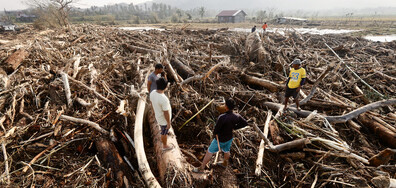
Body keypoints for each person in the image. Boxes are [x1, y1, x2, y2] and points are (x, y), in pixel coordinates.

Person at [193, 98, 248, 173]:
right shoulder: (237, 116)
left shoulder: (222, 117)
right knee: (226, 150)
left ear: (226, 107)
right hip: (229, 138)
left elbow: (216, 130)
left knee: (209, 151)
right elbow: (245, 123)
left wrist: (215, 134)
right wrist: (235, 127)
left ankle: (201, 168)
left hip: (220, 139)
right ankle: (225, 163)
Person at [150, 78, 173, 151]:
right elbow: (166, 113)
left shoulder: (153, 92)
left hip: (158, 115)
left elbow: (151, 103)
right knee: (164, 132)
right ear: (165, 87)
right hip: (163, 120)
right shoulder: (163, 99)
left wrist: (153, 112)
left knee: (164, 130)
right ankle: (165, 145)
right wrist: (168, 123)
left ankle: (165, 135)